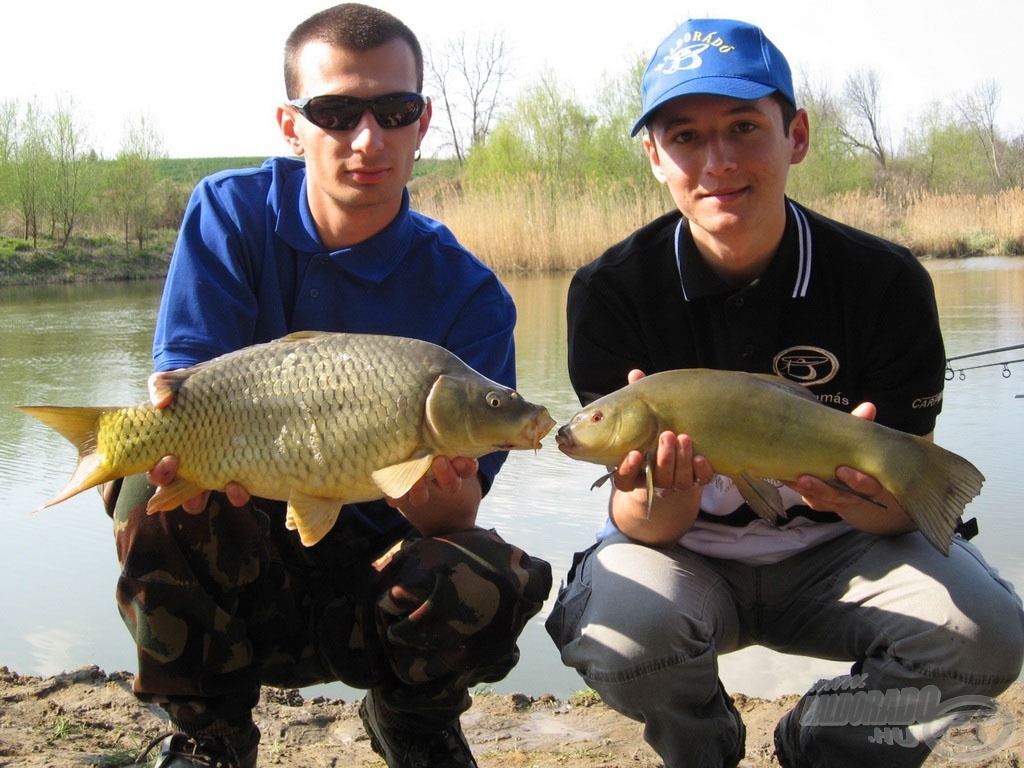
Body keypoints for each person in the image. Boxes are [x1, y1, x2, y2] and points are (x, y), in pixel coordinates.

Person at [545, 18, 1024, 768]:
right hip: (687, 555)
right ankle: (705, 747)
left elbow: (909, 489)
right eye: (685, 138)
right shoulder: (612, 290)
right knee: (625, 634)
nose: (719, 161)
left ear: (795, 134)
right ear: (653, 157)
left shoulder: (886, 280)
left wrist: (864, 496)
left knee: (988, 635)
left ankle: (824, 742)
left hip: (845, 547)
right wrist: (664, 495)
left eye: (744, 127)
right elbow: (639, 522)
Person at [107, 5, 551, 768]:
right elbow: (182, 399)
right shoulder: (228, 214)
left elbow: (460, 505)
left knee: (491, 573)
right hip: (248, 562)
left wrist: (445, 500)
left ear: (423, 121)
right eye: (336, 112)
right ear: (291, 125)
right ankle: (209, 734)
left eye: (394, 109)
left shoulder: (472, 297)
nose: (367, 138)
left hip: (375, 585)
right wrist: (177, 461)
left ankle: (413, 718)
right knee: (142, 487)